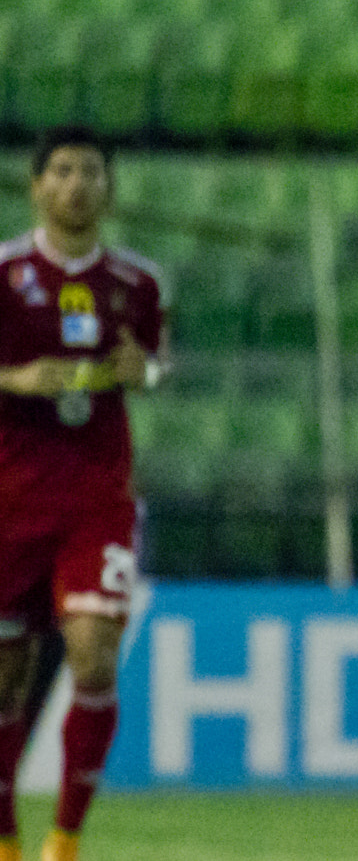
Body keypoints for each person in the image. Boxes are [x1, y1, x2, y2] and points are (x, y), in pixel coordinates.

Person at [0, 127, 166, 861]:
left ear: (109, 188)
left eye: (91, 172)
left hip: (95, 499)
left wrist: (148, 373)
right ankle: (6, 841)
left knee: (94, 657)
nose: (76, 184)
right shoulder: (3, 275)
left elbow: (156, 364)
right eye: (61, 171)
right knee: (5, 682)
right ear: (37, 187)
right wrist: (15, 379)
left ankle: (64, 843)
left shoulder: (138, 284)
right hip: (9, 501)